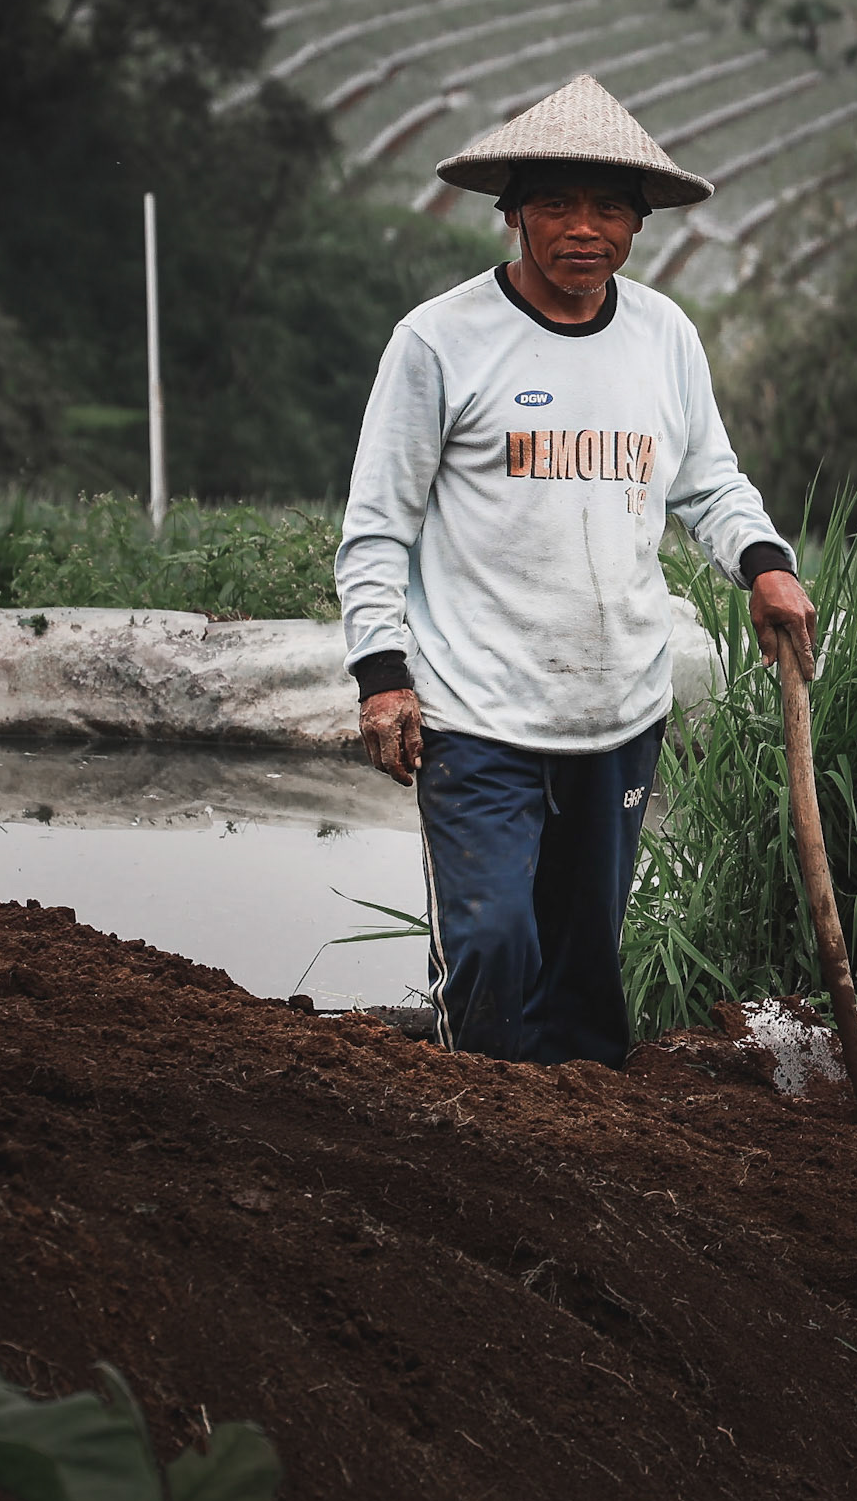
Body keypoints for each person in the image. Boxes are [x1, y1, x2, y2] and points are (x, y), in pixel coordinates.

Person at [335, 74, 815, 1067]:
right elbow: (378, 525)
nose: (583, 229)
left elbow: (708, 480)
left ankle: (589, 1140)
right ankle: (475, 1114)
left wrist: (764, 564)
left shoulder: (663, 335)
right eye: (556, 203)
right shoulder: (438, 341)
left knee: (585, 962)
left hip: (616, 707)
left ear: (640, 221)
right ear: (513, 213)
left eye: (607, 207)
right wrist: (382, 675)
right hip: (477, 709)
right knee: (491, 942)